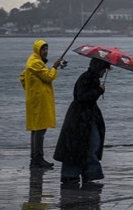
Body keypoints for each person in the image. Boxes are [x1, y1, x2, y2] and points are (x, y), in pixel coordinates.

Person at [53, 58, 110, 184]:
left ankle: (82, 174)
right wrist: (99, 91)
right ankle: (82, 174)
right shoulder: (86, 78)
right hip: (80, 118)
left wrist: (98, 90)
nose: (105, 72)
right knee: (87, 145)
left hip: (83, 117)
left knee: (85, 145)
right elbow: (82, 97)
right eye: (104, 69)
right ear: (99, 67)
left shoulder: (90, 78)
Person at [20, 39, 63, 169]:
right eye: (43, 49)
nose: (46, 52)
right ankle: (38, 159)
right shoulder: (35, 63)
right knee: (40, 129)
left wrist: (31, 89)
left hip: (35, 100)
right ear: (38, 50)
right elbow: (48, 77)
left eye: (46, 49)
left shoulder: (34, 61)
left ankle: (35, 158)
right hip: (39, 102)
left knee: (36, 129)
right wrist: (55, 67)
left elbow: (22, 77)